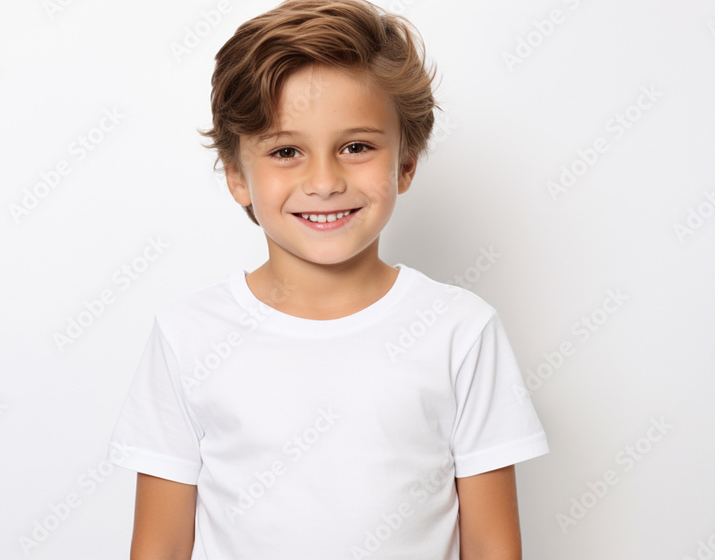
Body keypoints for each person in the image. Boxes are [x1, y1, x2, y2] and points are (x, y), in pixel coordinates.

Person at [106, 1, 549, 558]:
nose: (323, 181)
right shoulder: (187, 334)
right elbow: (160, 546)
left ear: (406, 162)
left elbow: (492, 546)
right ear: (237, 176)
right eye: (287, 151)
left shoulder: (461, 331)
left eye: (356, 147)